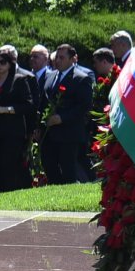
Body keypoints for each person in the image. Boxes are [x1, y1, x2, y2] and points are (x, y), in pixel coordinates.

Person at [0, 45, 37, 194]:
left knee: (11, 165)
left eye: (3, 62)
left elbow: (28, 104)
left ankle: (13, 193)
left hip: (13, 130)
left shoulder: (19, 79)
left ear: (10, 63)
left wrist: (5, 110)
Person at [41, 44, 94, 185]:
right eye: (56, 57)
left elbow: (84, 106)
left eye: (62, 58)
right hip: (49, 132)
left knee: (68, 169)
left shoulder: (81, 78)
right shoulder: (50, 76)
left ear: (72, 59)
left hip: (69, 133)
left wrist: (62, 118)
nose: (57, 60)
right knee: (49, 165)